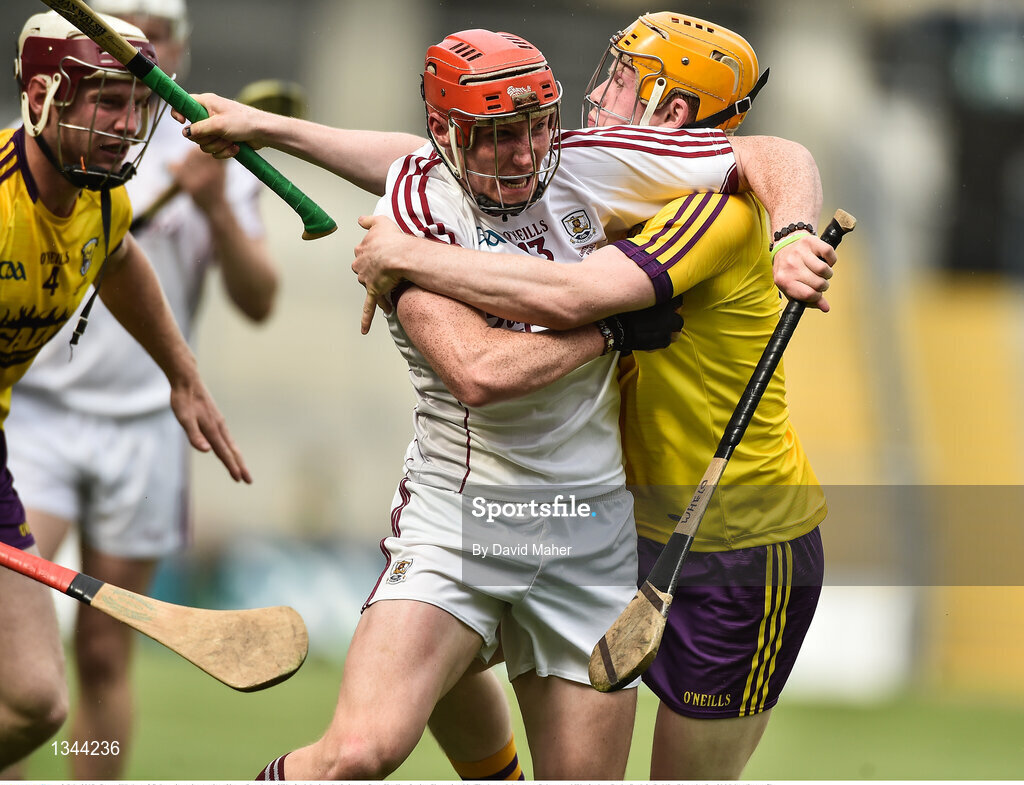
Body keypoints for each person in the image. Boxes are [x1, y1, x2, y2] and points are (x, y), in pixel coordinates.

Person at [182, 24, 829, 781]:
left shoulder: (597, 171)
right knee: (358, 752)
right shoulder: (417, 209)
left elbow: (773, 154)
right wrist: (272, 129)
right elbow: (479, 369)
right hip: (464, 523)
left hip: (596, 534)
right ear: (449, 136)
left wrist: (790, 235)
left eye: (533, 127)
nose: (525, 152)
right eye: (496, 136)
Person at [3, 1, 277, 778]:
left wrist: (182, 376)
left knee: (44, 695)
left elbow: (118, 258)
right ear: (45, 97)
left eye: (136, 105)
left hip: (127, 435)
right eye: (108, 102)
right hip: (38, 424)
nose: (127, 125)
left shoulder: (100, 193)